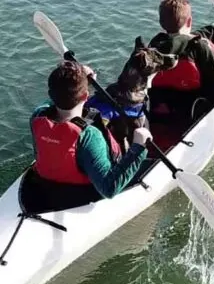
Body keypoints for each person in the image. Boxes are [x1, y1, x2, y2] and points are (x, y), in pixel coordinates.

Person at [27, 62, 152, 208]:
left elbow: (56, 98)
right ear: (86, 95)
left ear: (51, 94)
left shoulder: (37, 116)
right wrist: (138, 146)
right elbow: (109, 189)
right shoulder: (89, 135)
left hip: (45, 187)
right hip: (82, 195)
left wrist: (79, 79)